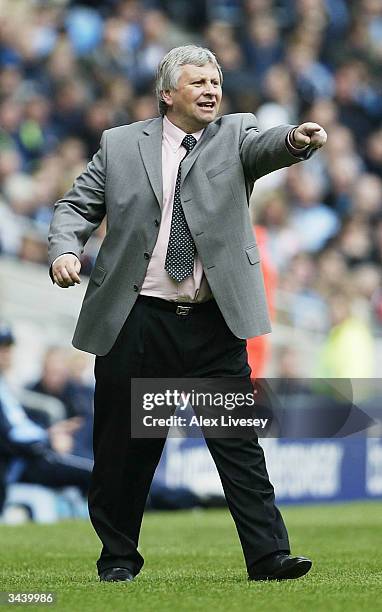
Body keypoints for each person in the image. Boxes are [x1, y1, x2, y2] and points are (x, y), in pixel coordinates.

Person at [48, 45, 327, 582]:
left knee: (238, 446)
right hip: (136, 321)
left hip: (212, 322)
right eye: (198, 81)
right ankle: (118, 561)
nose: (211, 90)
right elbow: (75, 206)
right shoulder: (121, 144)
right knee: (124, 452)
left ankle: (268, 556)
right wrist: (65, 249)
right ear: (168, 93)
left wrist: (294, 140)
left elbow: (268, 147)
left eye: (216, 82)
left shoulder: (235, 133)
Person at [0, 324, 92, 515]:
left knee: (94, 470)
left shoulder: (5, 385)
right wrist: (49, 436)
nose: (7, 354)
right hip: (21, 461)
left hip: (30, 453)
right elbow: (12, 434)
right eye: (3, 348)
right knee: (96, 474)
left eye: (8, 348)